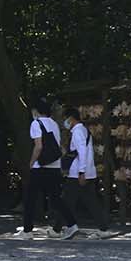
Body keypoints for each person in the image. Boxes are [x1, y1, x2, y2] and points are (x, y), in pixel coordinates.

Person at [14, 98, 76, 240]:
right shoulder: (54, 123)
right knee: (55, 199)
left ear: (35, 111)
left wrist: (31, 162)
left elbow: (39, 146)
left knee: (30, 198)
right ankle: (72, 224)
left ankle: (27, 231)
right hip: (54, 165)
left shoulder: (36, 123)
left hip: (40, 166)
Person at [61, 108, 110, 236]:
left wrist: (81, 172)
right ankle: (103, 228)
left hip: (78, 172)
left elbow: (81, 151)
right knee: (91, 201)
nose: (65, 122)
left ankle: (60, 228)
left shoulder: (77, 132)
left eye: (66, 119)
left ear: (71, 118)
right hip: (88, 171)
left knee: (67, 200)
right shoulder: (83, 130)